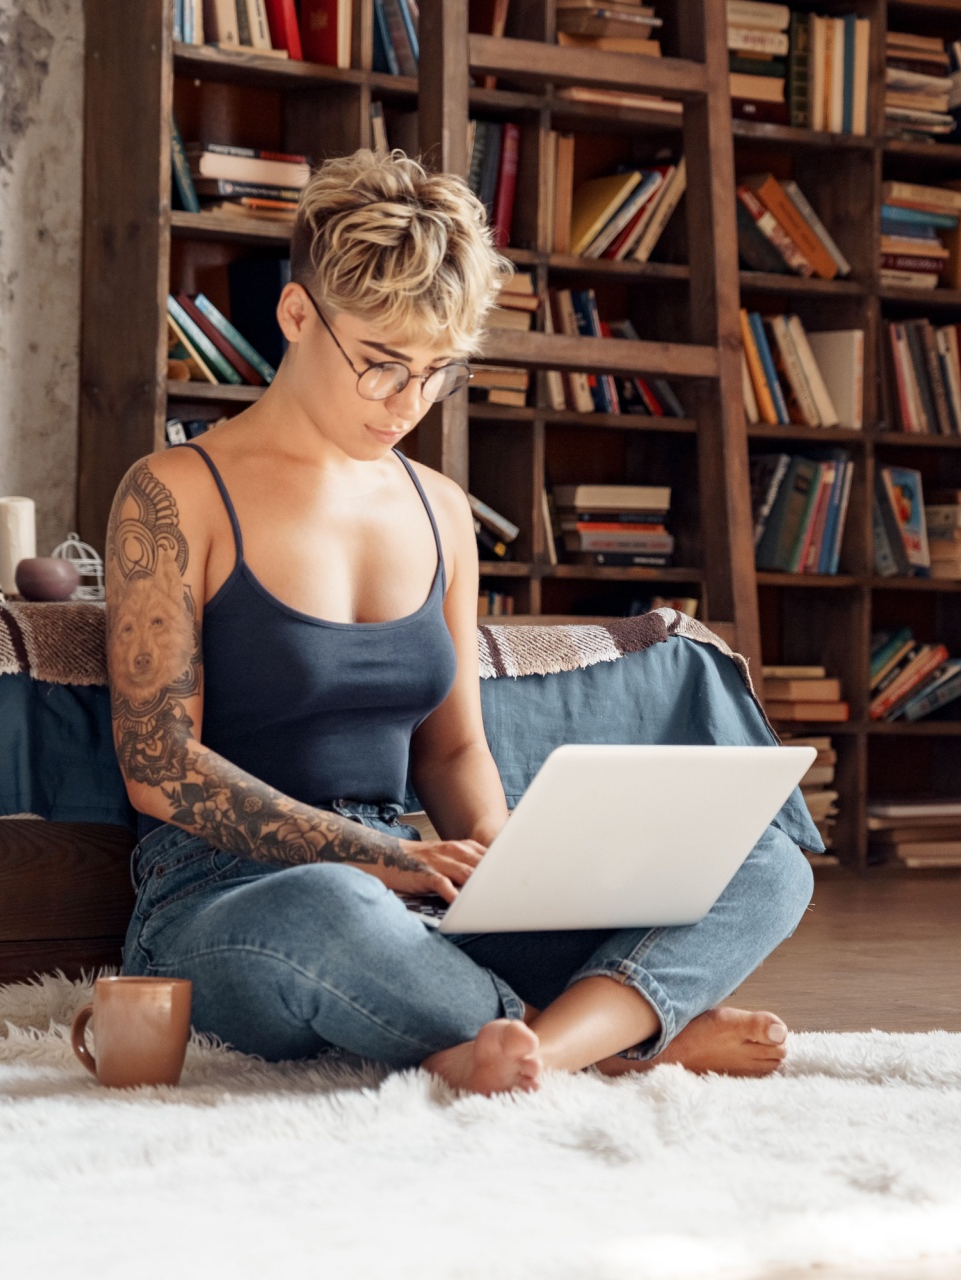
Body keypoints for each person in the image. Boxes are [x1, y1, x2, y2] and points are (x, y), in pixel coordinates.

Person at [110, 148, 812, 1095]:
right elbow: (160, 769)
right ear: (296, 316)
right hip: (229, 896)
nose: (409, 403)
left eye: (439, 370)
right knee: (335, 912)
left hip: (421, 890)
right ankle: (622, 1036)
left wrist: (512, 864)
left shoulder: (441, 509)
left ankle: (540, 1051)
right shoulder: (173, 494)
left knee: (768, 863)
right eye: (382, 365)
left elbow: (449, 751)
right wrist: (379, 857)